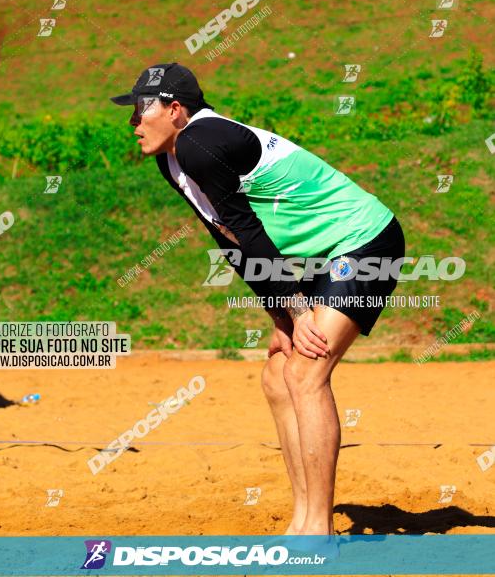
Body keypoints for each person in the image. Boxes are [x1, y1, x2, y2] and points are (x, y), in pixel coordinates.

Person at [111, 63, 405, 539]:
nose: (133, 123)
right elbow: (228, 238)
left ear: (176, 109)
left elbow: (248, 230)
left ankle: (317, 531)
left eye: (142, 111)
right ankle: (303, 520)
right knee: (277, 374)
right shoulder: (173, 159)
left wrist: (298, 307)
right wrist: (281, 316)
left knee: (306, 371)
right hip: (321, 254)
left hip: (364, 241)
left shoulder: (199, 143)